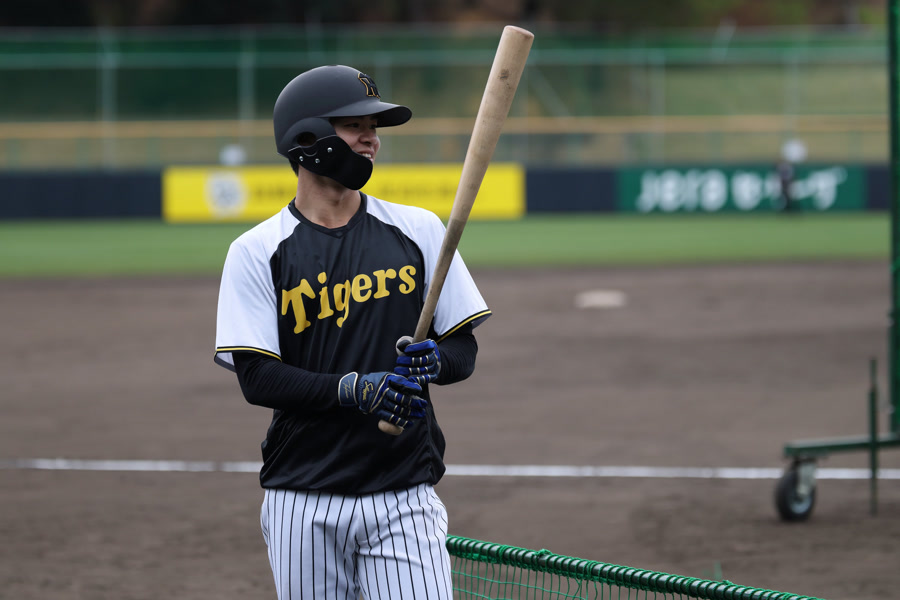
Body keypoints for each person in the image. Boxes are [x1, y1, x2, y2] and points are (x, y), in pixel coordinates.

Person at [214, 64, 491, 599]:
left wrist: (435, 361)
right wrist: (355, 389)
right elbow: (258, 378)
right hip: (302, 495)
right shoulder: (257, 250)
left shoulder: (418, 229)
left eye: (374, 127)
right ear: (307, 138)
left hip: (404, 491)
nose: (371, 139)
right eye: (354, 125)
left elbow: (464, 347)